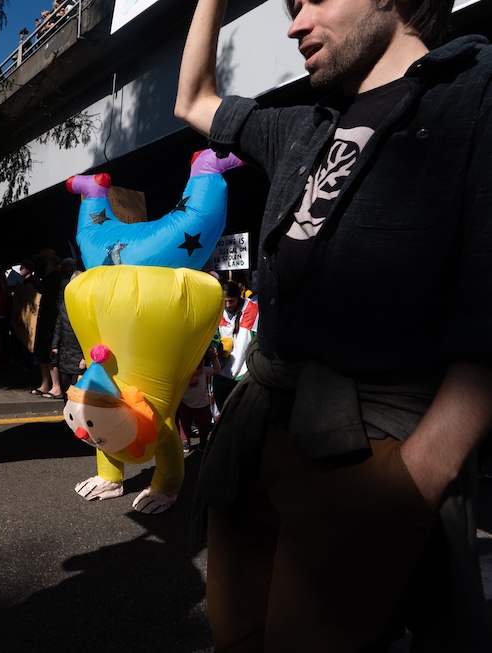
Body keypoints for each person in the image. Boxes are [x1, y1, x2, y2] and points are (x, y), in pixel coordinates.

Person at [175, 0, 492, 649]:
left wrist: (414, 478)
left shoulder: (475, 93)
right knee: (236, 634)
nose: (294, 24)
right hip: (260, 429)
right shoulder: (305, 124)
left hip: (367, 448)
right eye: (291, 6)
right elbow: (193, 101)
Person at [212, 279, 258, 413]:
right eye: (225, 301)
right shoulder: (217, 310)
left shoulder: (252, 310)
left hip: (243, 374)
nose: (228, 305)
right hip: (221, 372)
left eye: (231, 301)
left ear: (238, 297)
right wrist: (214, 347)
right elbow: (213, 336)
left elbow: (258, 340)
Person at [30, 248, 63, 398]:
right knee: (41, 351)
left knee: (50, 350)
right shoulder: (45, 277)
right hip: (42, 317)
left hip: (50, 318)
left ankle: (56, 386)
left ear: (49, 261)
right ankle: (45, 384)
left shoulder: (55, 276)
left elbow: (47, 295)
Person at [177, 346, 221, 453]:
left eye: (199, 370)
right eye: (195, 371)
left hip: (202, 406)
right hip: (185, 405)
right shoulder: (184, 375)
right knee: (184, 425)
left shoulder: (204, 371)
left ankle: (203, 443)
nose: (197, 373)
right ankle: (186, 442)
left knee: (204, 426)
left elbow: (217, 369)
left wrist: (214, 359)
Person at [50, 270, 85, 401]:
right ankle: (66, 413)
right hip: (65, 355)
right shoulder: (65, 305)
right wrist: (55, 346)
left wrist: (85, 357)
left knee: (76, 394)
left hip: (79, 357)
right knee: (66, 390)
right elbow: (58, 326)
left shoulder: (86, 305)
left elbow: (90, 334)